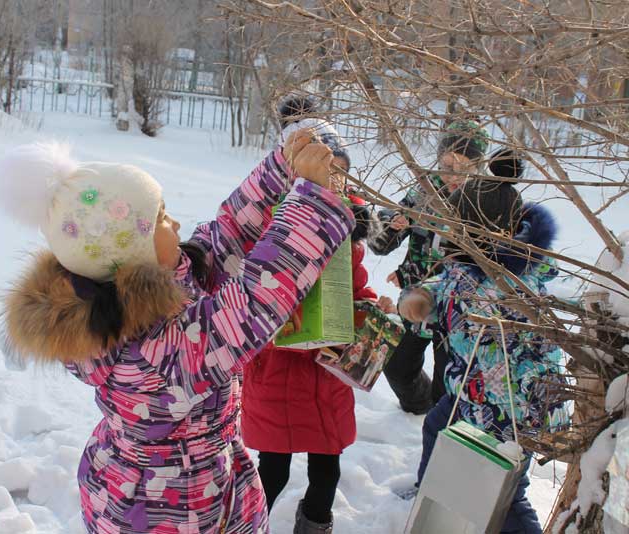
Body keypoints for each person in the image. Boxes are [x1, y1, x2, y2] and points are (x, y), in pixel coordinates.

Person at [0, 129, 354, 533]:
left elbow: (224, 238)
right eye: (162, 217)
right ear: (132, 252)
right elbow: (255, 303)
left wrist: (280, 170)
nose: (177, 222)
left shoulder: (134, 294)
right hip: (171, 509)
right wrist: (310, 204)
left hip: (193, 485)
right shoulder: (155, 354)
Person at [240, 98, 387, 534]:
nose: (333, 181)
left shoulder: (347, 230)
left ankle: (314, 527)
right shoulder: (268, 227)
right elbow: (246, 297)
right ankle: (247, 526)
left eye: (339, 171)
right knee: (273, 471)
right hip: (279, 369)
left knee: (327, 472)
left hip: (327, 373)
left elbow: (357, 287)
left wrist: (370, 309)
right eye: (324, 171)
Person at [398, 177, 568, 533]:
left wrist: (417, 302)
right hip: (512, 395)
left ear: (469, 228)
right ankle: (431, 494)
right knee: (435, 423)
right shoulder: (524, 261)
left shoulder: (474, 284)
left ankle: (450, 502)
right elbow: (449, 283)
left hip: (502, 407)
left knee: (507, 496)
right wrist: (426, 293)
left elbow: (447, 303)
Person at [366, 119, 490, 414]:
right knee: (397, 366)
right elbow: (380, 244)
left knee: (445, 384)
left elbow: (477, 262)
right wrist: (391, 225)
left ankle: (436, 423)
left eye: (463, 167)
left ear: (478, 166)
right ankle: (416, 409)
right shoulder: (425, 191)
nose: (453, 174)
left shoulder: (484, 200)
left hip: (455, 308)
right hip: (414, 304)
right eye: (447, 164)